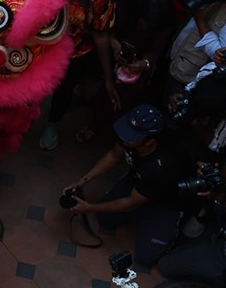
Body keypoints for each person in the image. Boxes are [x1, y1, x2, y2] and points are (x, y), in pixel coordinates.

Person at [65, 104, 188, 265]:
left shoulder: (161, 166)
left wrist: (89, 207)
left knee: (146, 257)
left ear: (149, 142)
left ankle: (170, 229)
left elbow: (131, 203)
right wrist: (82, 181)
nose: (124, 137)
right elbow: (113, 155)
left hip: (164, 204)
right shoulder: (129, 139)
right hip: (138, 186)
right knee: (105, 218)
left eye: (131, 136)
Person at [39, 0, 118, 150]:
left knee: (64, 89)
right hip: (40, 44)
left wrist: (108, 77)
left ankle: (53, 122)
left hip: (75, 52)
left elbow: (101, 35)